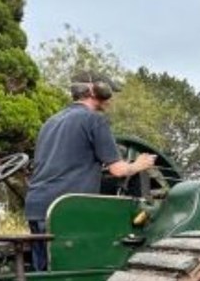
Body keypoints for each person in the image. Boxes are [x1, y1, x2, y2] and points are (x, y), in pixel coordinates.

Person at [25, 72, 156, 270]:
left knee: (44, 272)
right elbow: (118, 170)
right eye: (109, 92)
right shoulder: (94, 120)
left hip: (36, 206)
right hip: (67, 209)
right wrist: (139, 164)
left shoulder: (50, 122)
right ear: (96, 91)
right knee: (72, 272)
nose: (110, 99)